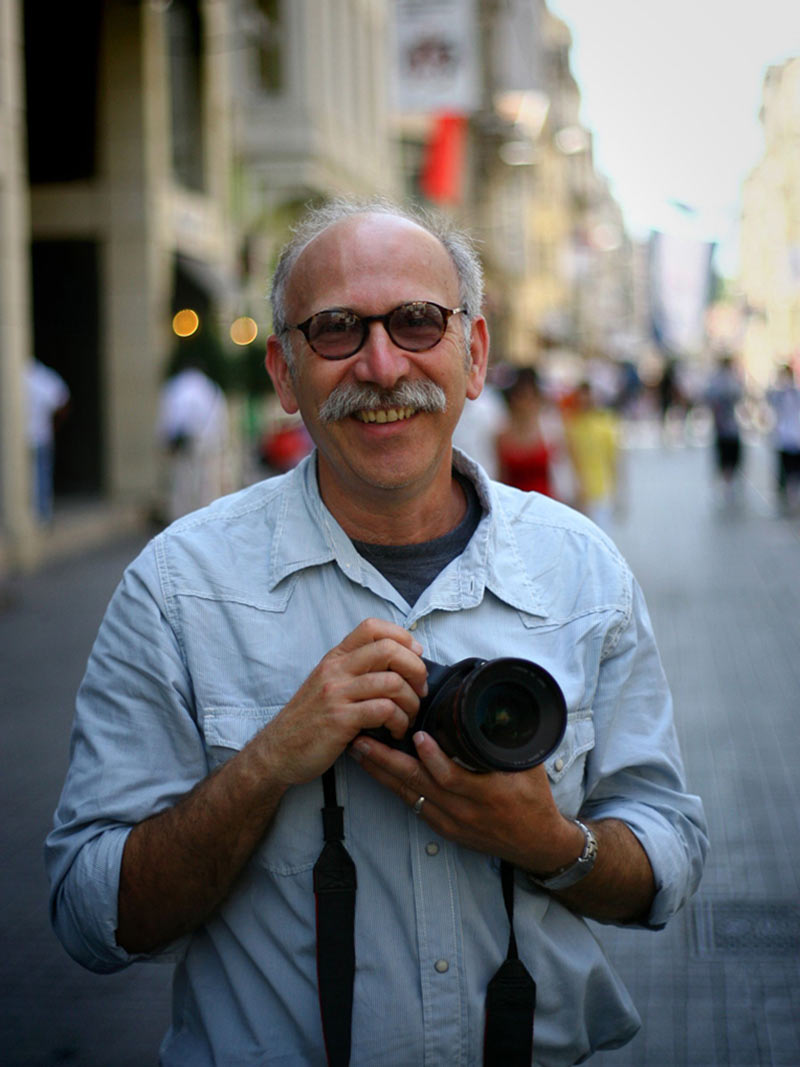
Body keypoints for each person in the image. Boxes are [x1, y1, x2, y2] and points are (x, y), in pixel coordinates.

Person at [46, 198, 707, 1066]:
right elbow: (91, 916)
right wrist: (271, 761)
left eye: (417, 321)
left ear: (473, 355)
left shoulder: (583, 572)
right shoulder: (180, 588)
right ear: (285, 373)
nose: (384, 365)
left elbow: (669, 854)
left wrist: (549, 842)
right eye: (336, 330)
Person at [156, 347, 229, 521]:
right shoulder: (211, 387)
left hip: (185, 445)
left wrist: (165, 441)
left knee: (182, 488)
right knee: (207, 488)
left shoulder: (176, 386)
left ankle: (182, 524)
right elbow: (221, 418)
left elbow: (170, 417)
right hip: (209, 444)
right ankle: (205, 521)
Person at [495, 366, 572, 500]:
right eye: (521, 397)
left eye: (531, 397)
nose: (526, 403)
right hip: (514, 503)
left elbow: (563, 471)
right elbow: (500, 475)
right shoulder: (501, 435)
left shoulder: (551, 432)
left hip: (546, 502)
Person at [564, 380, 622, 531]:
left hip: (601, 492)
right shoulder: (572, 426)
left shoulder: (605, 425)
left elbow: (614, 461)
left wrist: (618, 493)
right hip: (579, 494)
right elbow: (570, 461)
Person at [25, 358, 71, 523]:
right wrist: (54, 425)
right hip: (39, 436)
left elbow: (62, 400)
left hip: (35, 437)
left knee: (38, 478)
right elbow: (62, 399)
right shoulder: (40, 376)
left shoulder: (37, 376)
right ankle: (41, 517)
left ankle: (40, 517)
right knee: (39, 479)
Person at [704, 355, 744, 504]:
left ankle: (727, 482)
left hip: (726, 427)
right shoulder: (728, 381)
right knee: (727, 457)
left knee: (727, 457)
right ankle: (727, 482)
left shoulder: (719, 381)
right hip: (726, 427)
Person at [766, 363, 800, 515]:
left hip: (794, 437)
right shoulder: (779, 393)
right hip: (784, 437)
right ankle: (787, 492)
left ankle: (792, 493)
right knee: (786, 468)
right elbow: (769, 398)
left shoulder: (795, 392)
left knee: (794, 468)